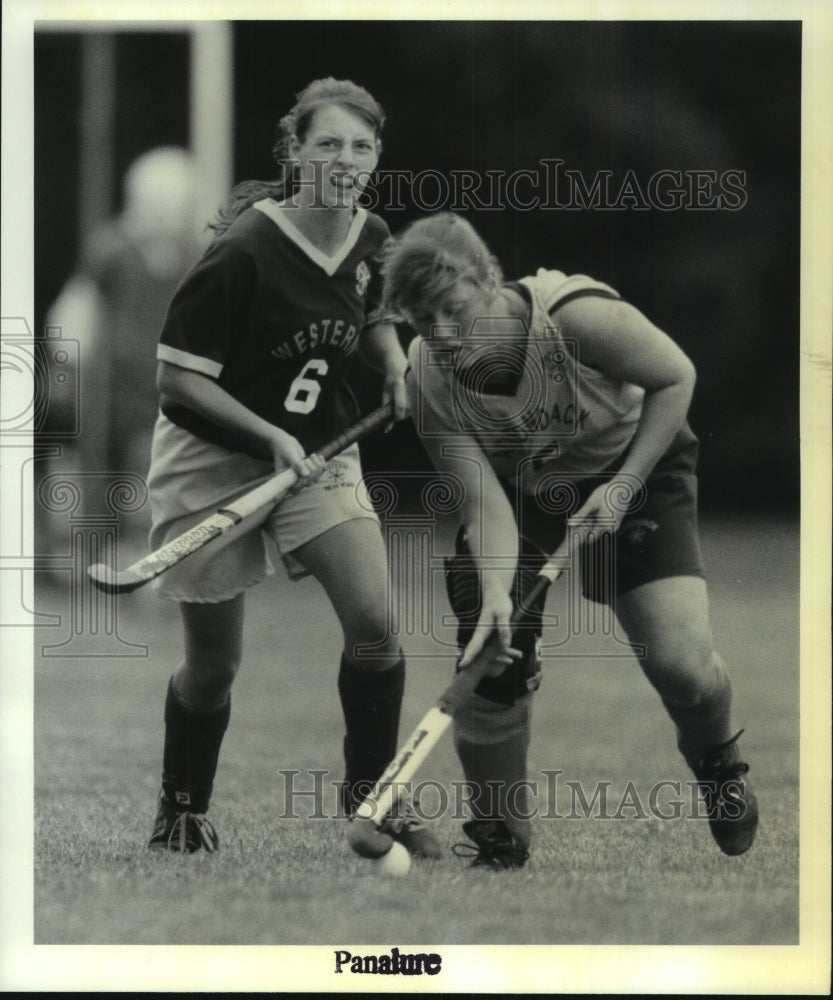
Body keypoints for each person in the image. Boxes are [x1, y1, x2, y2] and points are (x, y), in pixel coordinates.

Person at [381, 211, 758, 870]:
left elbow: (674, 377)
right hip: (522, 493)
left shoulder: (573, 317)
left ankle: (718, 764)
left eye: (451, 308)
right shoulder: (427, 377)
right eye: (419, 319)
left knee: (681, 667)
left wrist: (620, 487)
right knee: (486, 646)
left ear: (487, 279)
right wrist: (498, 592)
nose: (438, 333)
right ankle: (499, 831)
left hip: (632, 461)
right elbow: (480, 501)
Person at [144, 78, 440, 859]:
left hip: (319, 453)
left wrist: (390, 361)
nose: (345, 160)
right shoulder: (243, 250)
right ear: (294, 153)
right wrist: (266, 432)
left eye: (361, 146)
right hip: (210, 458)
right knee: (214, 667)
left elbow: (370, 311)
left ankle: (372, 797)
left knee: (375, 625)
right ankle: (181, 810)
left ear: (377, 156)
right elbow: (178, 379)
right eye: (328, 144)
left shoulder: (372, 234)